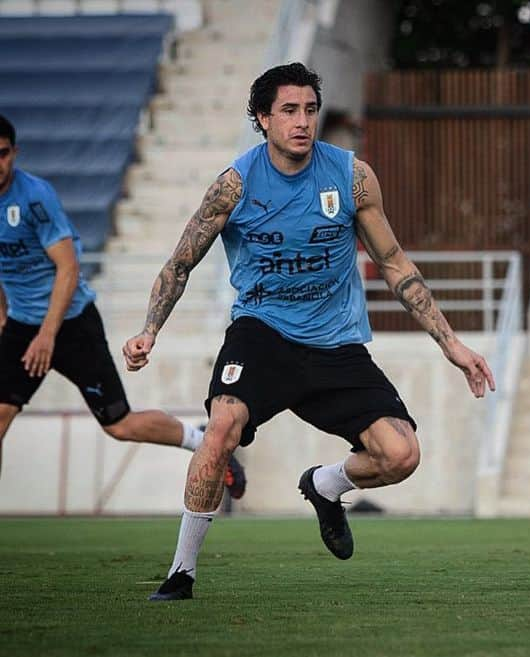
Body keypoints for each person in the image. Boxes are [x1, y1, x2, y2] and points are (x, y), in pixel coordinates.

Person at [123, 63, 495, 602]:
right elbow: (180, 263)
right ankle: (182, 572)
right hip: (263, 334)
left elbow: (393, 262)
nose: (302, 122)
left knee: (401, 456)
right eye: (289, 111)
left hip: (336, 342)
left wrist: (451, 343)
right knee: (222, 426)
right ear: (263, 119)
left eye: (311, 109)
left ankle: (325, 485)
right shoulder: (233, 186)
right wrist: (149, 331)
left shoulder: (352, 177)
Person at [0, 114, 245, 497]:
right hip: (22, 326)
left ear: (14, 152)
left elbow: (68, 269)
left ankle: (202, 441)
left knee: (119, 425)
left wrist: (47, 335)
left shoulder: (34, 198)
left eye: (2, 154)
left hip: (71, 323)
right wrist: (5, 320)